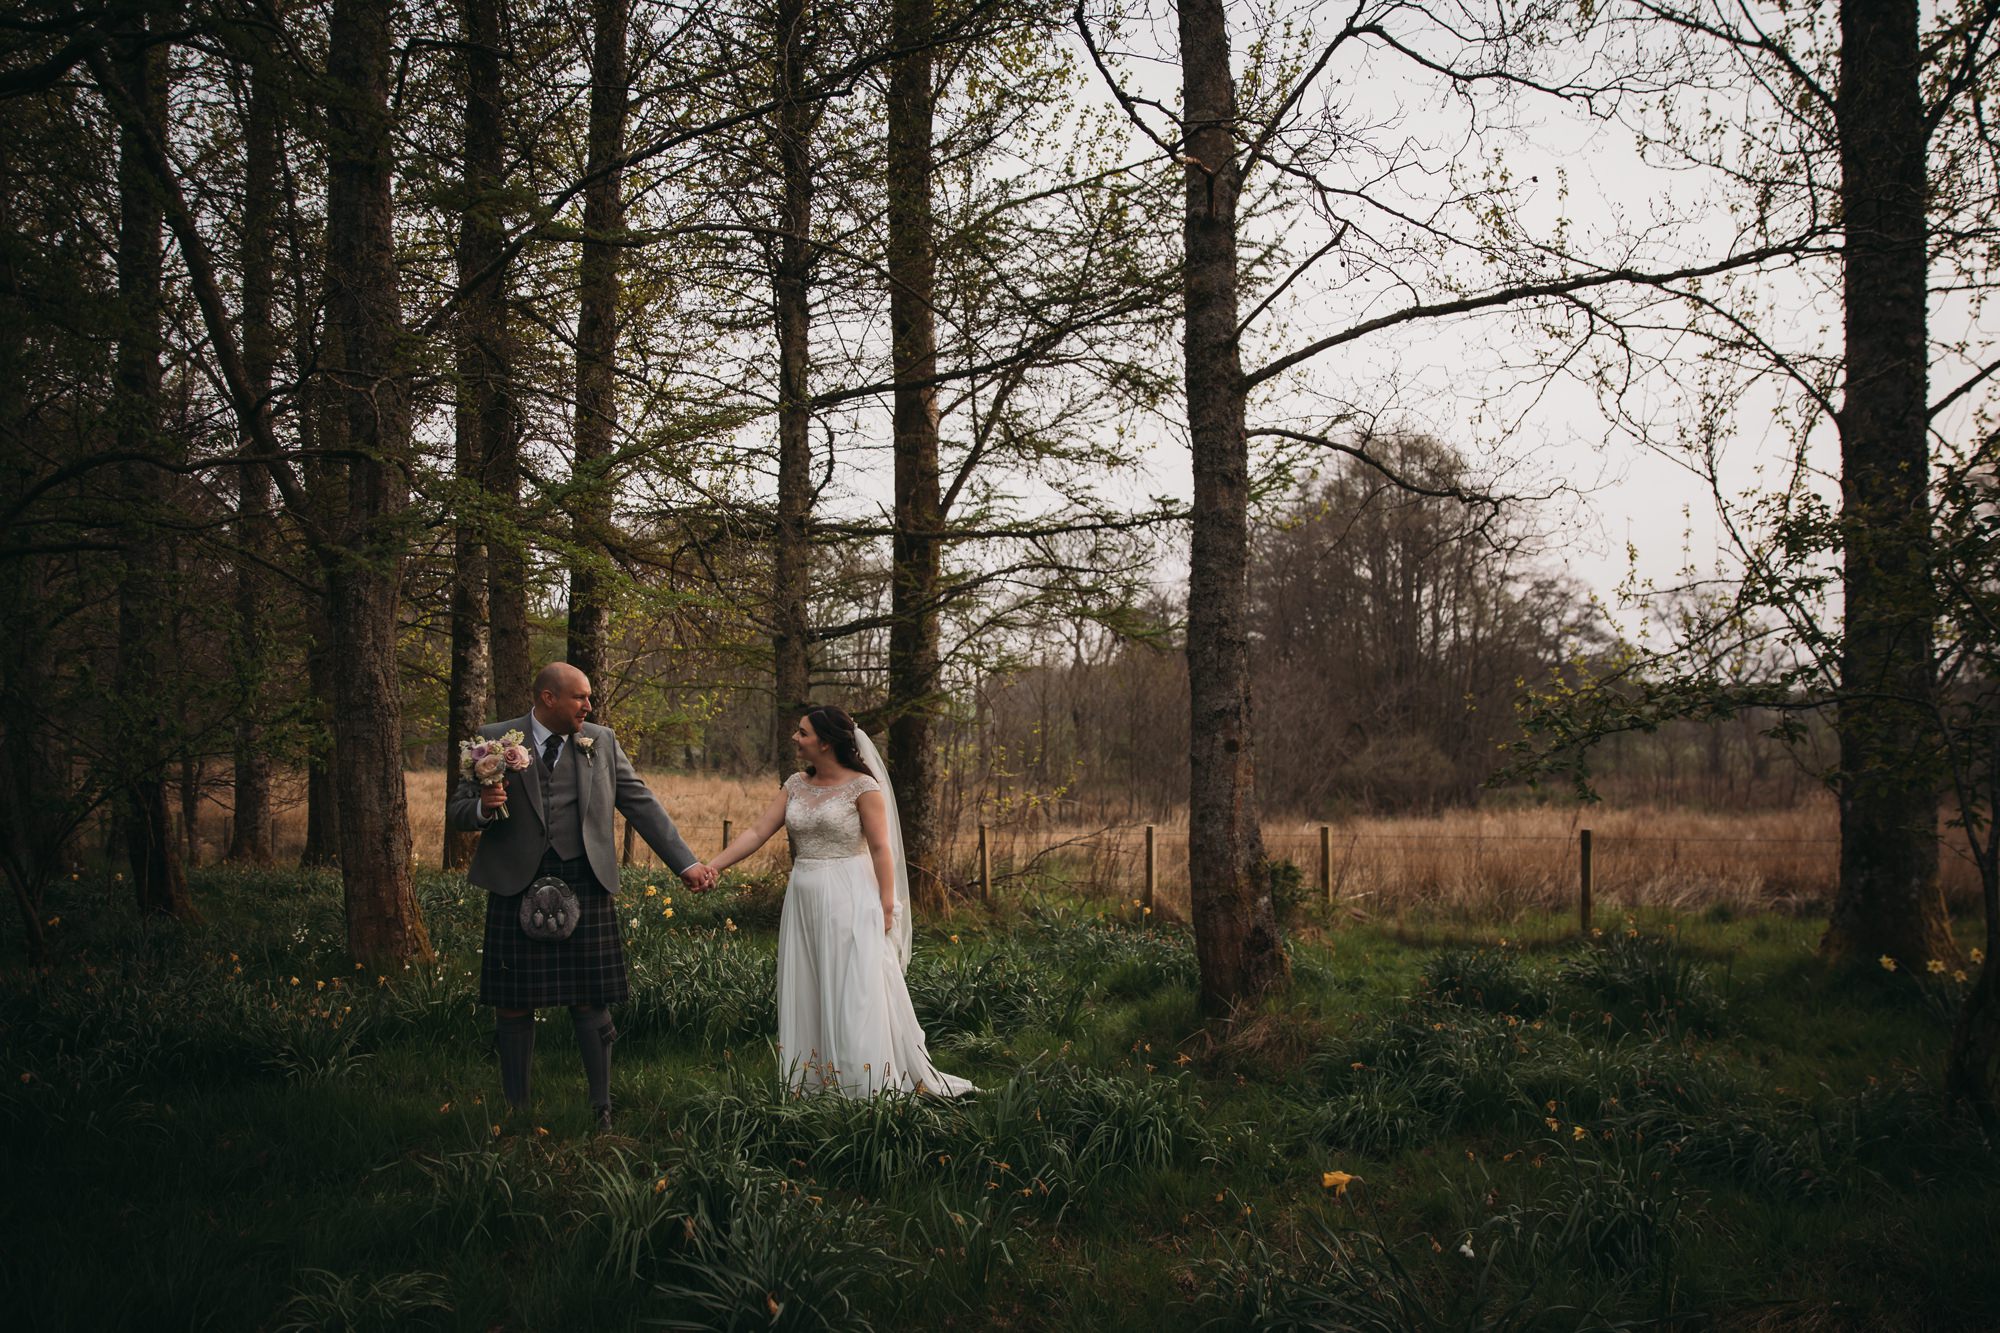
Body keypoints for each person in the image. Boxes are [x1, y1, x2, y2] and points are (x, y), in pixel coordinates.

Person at [447, 662, 717, 1131]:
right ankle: (517, 1110)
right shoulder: (493, 739)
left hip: (585, 878)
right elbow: (456, 809)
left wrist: (686, 863)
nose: (589, 706)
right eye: (580, 698)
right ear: (548, 698)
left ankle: (601, 1107)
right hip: (514, 882)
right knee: (512, 1000)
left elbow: (639, 802)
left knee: (591, 998)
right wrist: (481, 809)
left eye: (589, 699)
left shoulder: (601, 740)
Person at [693, 705, 974, 1097]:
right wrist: (714, 866)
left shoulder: (864, 787)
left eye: (803, 732)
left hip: (850, 894)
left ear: (825, 742)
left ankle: (864, 1085)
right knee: (810, 982)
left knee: (852, 987)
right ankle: (812, 1082)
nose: (795, 737)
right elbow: (758, 831)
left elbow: (881, 850)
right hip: (804, 896)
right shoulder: (795, 783)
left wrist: (887, 906)